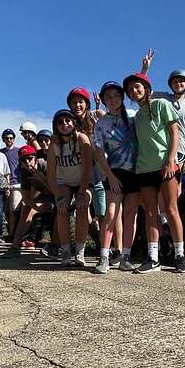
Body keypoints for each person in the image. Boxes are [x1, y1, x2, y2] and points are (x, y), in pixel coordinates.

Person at [123, 73, 185, 273]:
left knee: (171, 209)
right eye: (131, 89)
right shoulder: (137, 116)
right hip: (144, 167)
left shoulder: (161, 104)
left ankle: (180, 256)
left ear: (146, 88)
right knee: (150, 213)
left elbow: (174, 132)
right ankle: (153, 258)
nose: (135, 91)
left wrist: (171, 159)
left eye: (137, 87)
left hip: (166, 165)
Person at [92, 81, 141, 274]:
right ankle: (104, 256)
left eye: (116, 96)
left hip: (136, 171)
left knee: (131, 215)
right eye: (108, 97)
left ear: (122, 97)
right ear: (103, 100)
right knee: (111, 214)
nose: (112, 100)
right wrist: (110, 176)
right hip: (114, 173)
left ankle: (125, 257)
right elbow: (98, 152)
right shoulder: (101, 124)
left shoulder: (133, 117)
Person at [141, 49, 185, 173]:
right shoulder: (164, 97)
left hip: (179, 149)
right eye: (175, 81)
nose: (178, 83)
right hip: (161, 147)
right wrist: (145, 69)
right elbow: (142, 92)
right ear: (170, 84)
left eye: (181, 81)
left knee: (176, 187)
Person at [47, 108, 93, 267]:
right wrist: (59, 198)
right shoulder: (53, 144)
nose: (64, 124)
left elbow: (87, 170)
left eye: (67, 120)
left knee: (82, 208)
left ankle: (80, 251)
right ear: (55, 126)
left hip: (83, 180)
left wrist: (81, 195)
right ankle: (65, 250)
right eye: (60, 122)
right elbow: (51, 177)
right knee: (62, 209)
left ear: (74, 122)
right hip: (63, 181)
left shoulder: (82, 138)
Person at [67, 87, 106, 248]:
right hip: (82, 176)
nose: (77, 105)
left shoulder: (97, 117)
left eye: (80, 102)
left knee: (103, 213)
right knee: (84, 213)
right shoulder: (69, 125)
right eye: (74, 102)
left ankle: (107, 248)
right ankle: (100, 244)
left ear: (87, 104)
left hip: (101, 173)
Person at [11, 145, 56, 251]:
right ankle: (15, 244)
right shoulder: (25, 171)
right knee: (26, 208)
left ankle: (55, 245)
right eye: (23, 160)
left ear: (35, 158)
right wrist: (37, 207)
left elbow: (56, 190)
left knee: (59, 212)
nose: (27, 162)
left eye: (30, 159)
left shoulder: (45, 166)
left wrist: (42, 178)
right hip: (44, 195)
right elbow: (26, 198)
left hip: (58, 194)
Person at [0, 128, 22, 242]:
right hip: (4, 185)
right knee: (7, 212)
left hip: (17, 184)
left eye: (11, 138)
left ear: (14, 139)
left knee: (14, 211)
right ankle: (10, 233)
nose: (9, 140)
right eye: (7, 138)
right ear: (3, 139)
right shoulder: (0, 152)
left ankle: (13, 235)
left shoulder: (19, 152)